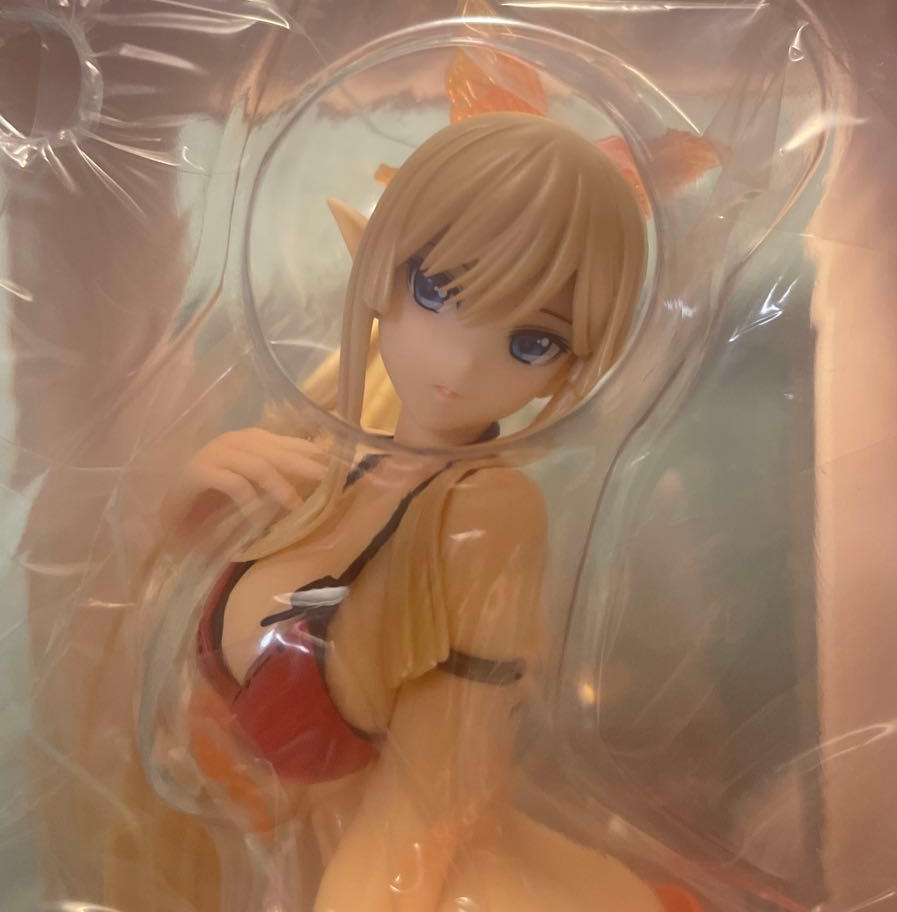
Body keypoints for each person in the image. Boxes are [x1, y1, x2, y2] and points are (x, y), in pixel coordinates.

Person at [122, 113, 699, 911]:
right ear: (381, 266)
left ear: (577, 362)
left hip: (401, 877)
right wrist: (187, 513)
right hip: (266, 856)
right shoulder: (326, 445)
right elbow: (144, 634)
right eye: (437, 292)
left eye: (533, 342)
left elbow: (435, 800)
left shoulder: (484, 517)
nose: (460, 361)